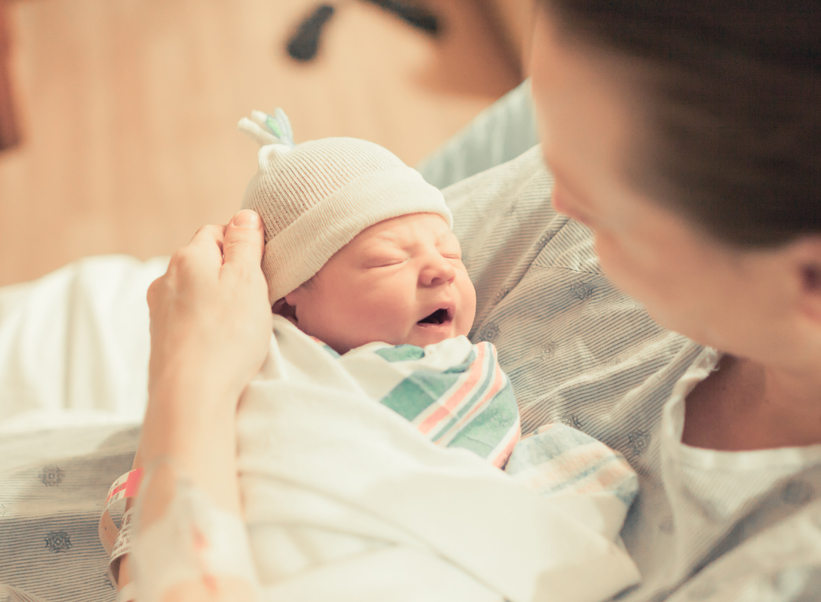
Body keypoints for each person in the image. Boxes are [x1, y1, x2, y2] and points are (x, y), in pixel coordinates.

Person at [125, 0, 820, 600]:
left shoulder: (763, 564)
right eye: (546, 153)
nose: (557, 202)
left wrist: (189, 382)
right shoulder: (618, 147)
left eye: (604, 207)